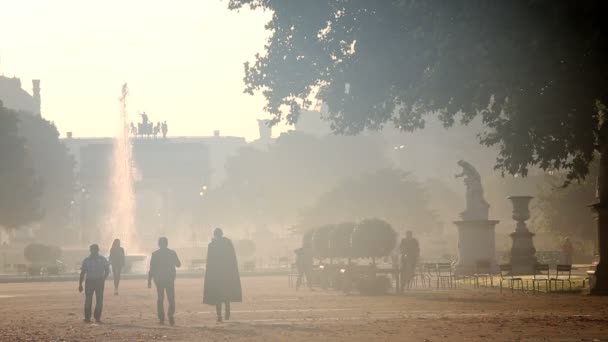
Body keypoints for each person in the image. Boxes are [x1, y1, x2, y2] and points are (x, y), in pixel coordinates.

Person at [203, 228, 242, 322]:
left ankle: (219, 315)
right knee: (226, 296)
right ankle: (227, 315)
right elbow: (232, 260)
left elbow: (210, 262)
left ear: (215, 235)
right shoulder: (227, 244)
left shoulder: (212, 245)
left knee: (218, 297)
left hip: (216, 275)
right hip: (227, 274)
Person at [148, 237, 181, 326]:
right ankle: (170, 315)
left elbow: (152, 268)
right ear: (167, 243)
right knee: (171, 298)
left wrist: (149, 280)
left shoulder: (155, 254)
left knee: (160, 298)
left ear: (159, 244)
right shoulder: (172, 253)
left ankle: (161, 318)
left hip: (159, 279)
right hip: (169, 278)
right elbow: (178, 264)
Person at [78, 244, 110, 323]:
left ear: (97, 250)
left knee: (99, 300)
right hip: (89, 281)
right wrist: (80, 284)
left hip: (99, 281)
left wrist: (104, 278)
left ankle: (97, 317)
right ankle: (87, 317)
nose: (94, 251)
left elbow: (107, 270)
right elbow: (82, 272)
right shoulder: (87, 260)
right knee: (88, 300)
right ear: (90, 250)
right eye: (92, 250)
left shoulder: (102, 259)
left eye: (95, 250)